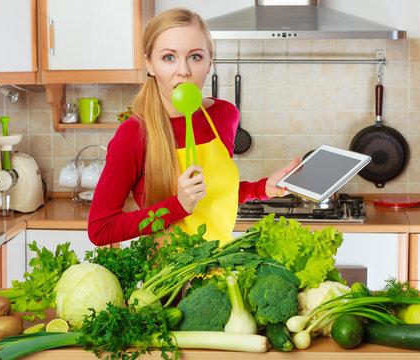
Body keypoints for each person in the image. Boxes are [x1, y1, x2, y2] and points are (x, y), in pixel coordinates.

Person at [88, 8, 300, 246]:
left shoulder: (224, 116)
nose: (183, 71)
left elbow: (210, 193)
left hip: (222, 267)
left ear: (209, 63)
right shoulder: (134, 134)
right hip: (170, 278)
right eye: (169, 57)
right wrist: (177, 206)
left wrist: (264, 188)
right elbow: (100, 229)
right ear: (150, 64)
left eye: (195, 57)